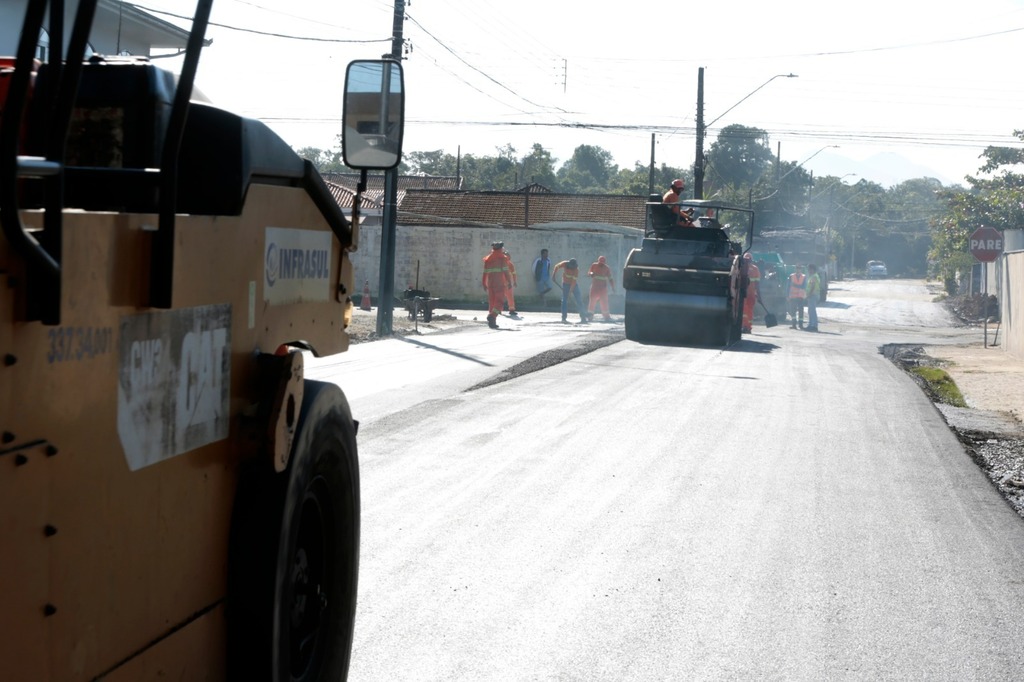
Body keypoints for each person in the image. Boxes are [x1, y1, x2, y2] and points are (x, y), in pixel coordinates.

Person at [482, 241, 512, 329]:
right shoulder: (502, 258)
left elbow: (484, 273)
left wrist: (484, 283)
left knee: (492, 302)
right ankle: (492, 316)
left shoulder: (488, 259)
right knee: (499, 302)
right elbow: (506, 271)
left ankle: (492, 322)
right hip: (499, 283)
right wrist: (509, 281)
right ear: (500, 248)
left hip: (490, 283)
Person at [552, 257, 589, 323]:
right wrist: (553, 275)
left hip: (573, 285)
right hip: (565, 284)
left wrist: (570, 292)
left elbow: (573, 282)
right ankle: (564, 318)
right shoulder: (565, 264)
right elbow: (556, 266)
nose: (571, 268)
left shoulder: (576, 270)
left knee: (579, 300)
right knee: (564, 301)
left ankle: (583, 317)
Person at [587, 255, 615, 321]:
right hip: (594, 288)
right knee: (592, 302)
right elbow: (589, 272)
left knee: (604, 303)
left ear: (604, 263)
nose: (601, 264)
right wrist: (591, 273)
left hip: (602, 289)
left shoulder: (607, 268)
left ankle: (606, 317)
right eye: (600, 263)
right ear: (598, 261)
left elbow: (610, 278)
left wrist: (613, 287)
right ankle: (590, 317)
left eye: (602, 263)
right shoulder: (594, 265)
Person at [741, 253, 761, 334]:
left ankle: (746, 327)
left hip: (747, 293)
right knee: (747, 310)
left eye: (748, 260)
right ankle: (746, 327)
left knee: (746, 310)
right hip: (747, 293)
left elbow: (757, 283)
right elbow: (757, 283)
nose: (747, 261)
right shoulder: (754, 268)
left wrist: (758, 294)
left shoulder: (742, 267)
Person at [787, 264, 807, 329]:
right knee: (793, 311)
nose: (798, 270)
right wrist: (787, 295)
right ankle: (794, 325)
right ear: (795, 269)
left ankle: (800, 325)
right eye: (797, 268)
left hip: (800, 297)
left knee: (801, 311)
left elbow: (804, 286)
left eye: (799, 268)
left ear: (801, 269)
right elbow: (788, 286)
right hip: (793, 297)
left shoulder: (804, 277)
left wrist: (795, 285)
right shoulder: (791, 276)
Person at [805, 263, 821, 332]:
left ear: (813, 269)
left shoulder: (814, 277)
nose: (809, 271)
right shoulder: (813, 276)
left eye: (810, 269)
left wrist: (809, 294)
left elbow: (812, 286)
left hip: (813, 295)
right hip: (812, 295)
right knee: (810, 310)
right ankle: (811, 324)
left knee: (812, 311)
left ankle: (813, 325)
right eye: (808, 269)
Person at [503, 248, 519, 318]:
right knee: (499, 296)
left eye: (507, 255)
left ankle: (511, 309)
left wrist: (515, 281)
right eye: (506, 255)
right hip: (501, 283)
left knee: (510, 297)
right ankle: (498, 309)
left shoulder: (510, 264)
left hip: (508, 283)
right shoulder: (500, 264)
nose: (507, 257)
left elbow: (514, 273)